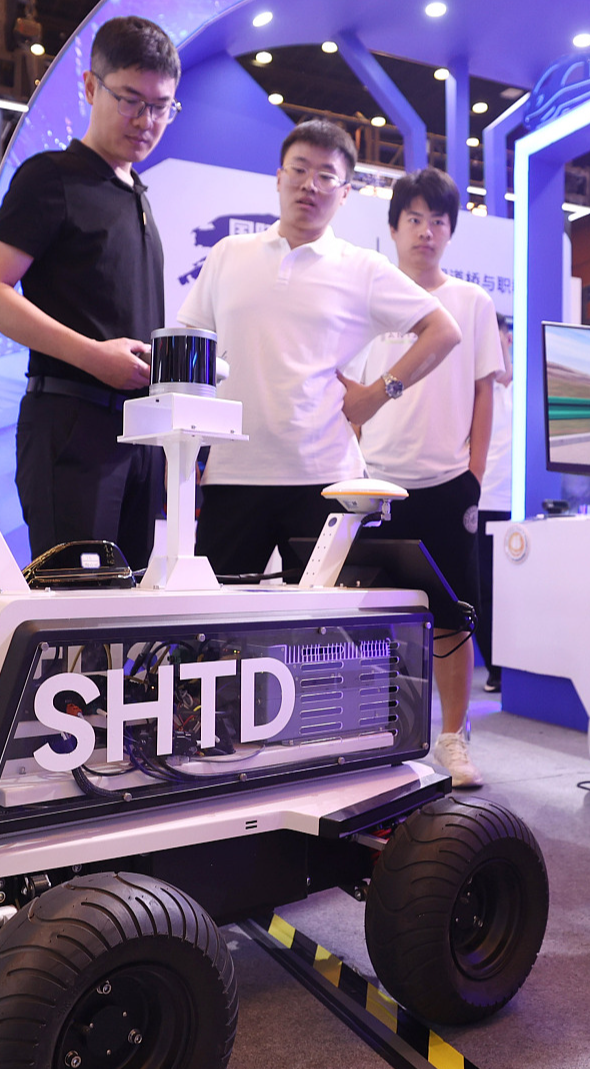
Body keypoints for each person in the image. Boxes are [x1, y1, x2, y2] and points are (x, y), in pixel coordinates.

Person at [179, 120, 462, 578]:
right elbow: (191, 345)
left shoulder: (362, 268)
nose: (310, 185)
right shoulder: (229, 254)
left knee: (322, 637)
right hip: (233, 473)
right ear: (278, 176)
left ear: (345, 192)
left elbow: (443, 329)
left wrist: (376, 395)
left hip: (326, 481)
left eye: (327, 175)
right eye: (299, 169)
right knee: (211, 632)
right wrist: (188, 447)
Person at [0, 16, 179, 565]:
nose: (146, 120)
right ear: (90, 87)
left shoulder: (138, 194)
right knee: (74, 615)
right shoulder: (51, 176)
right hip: (70, 426)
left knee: (130, 617)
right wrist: (93, 357)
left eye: (161, 106)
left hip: (139, 437)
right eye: (131, 99)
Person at [344, 170, 503, 788]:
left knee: (452, 617)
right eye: (413, 219)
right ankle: (377, 734)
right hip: (376, 485)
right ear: (392, 229)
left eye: (438, 221)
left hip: (447, 484)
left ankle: (451, 740)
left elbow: (485, 390)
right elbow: (345, 388)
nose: (426, 231)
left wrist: (475, 473)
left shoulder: (472, 302)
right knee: (371, 614)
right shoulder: (369, 301)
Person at [475, 315, 514, 694]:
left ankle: (507, 667)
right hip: (476, 499)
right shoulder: (473, 387)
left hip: (508, 504)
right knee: (479, 591)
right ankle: (497, 668)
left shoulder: (522, 388)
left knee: (505, 590)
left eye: (497, 334)